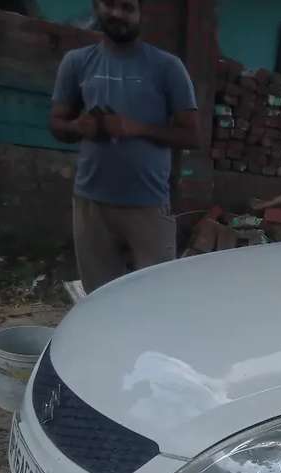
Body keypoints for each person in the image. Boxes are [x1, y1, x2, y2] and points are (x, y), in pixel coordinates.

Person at [49, 0, 201, 293]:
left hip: (148, 205)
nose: (117, 13)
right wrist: (77, 127)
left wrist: (136, 128)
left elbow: (192, 136)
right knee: (99, 297)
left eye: (127, 7)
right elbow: (57, 124)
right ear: (96, 6)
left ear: (141, 13)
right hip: (91, 204)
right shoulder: (77, 62)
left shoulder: (167, 67)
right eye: (109, 4)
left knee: (156, 295)